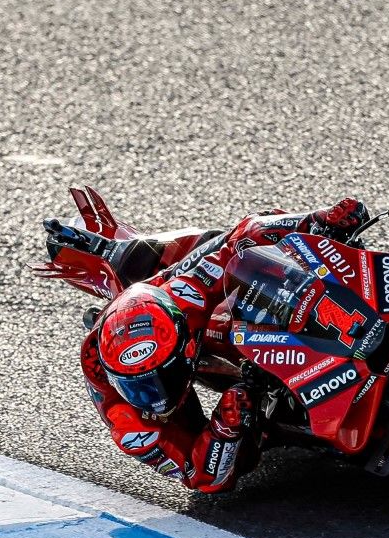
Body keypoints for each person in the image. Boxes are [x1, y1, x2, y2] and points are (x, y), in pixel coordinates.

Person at [79, 198, 369, 492]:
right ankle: (277, 411)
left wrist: (317, 220)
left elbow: (244, 234)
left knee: (235, 301)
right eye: (137, 387)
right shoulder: (127, 421)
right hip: (160, 349)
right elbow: (200, 478)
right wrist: (223, 429)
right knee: (238, 451)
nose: (155, 396)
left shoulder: (187, 295)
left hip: (171, 290)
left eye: (160, 380)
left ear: (187, 349)